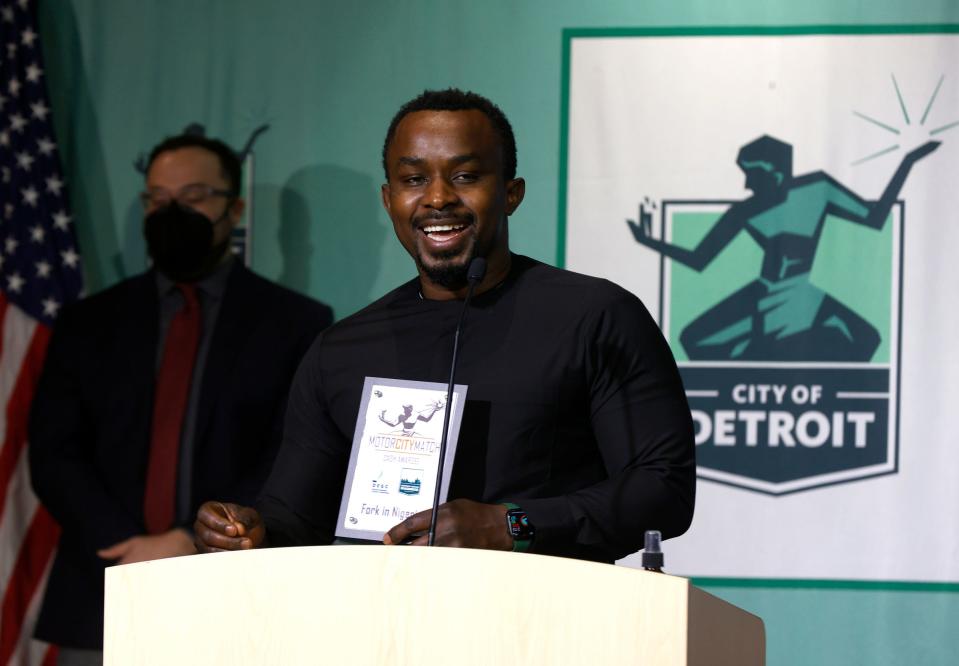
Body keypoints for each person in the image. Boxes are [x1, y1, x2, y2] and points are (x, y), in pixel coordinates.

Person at [195, 88, 695, 562]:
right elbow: (295, 518)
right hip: (389, 636)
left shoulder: (595, 316)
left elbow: (662, 487)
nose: (437, 198)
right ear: (389, 199)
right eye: (414, 179)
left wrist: (512, 526)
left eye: (464, 176)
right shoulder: (340, 350)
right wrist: (248, 533)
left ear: (511, 193)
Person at [28, 133, 333, 658]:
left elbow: (288, 452)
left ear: (233, 208)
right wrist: (129, 544)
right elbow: (55, 451)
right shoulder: (89, 322)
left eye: (193, 198)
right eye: (158, 200)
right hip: (100, 587)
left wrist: (186, 537)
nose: (172, 212)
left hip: (233, 592)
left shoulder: (295, 323)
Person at [627, 135, 939, 361]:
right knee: (692, 338)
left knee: (867, 340)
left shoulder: (817, 189)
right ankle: (755, 356)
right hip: (762, 292)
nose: (746, 184)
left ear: (773, 171)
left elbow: (874, 218)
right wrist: (648, 241)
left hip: (802, 294)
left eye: (750, 173)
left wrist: (907, 162)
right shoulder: (745, 210)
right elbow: (699, 259)